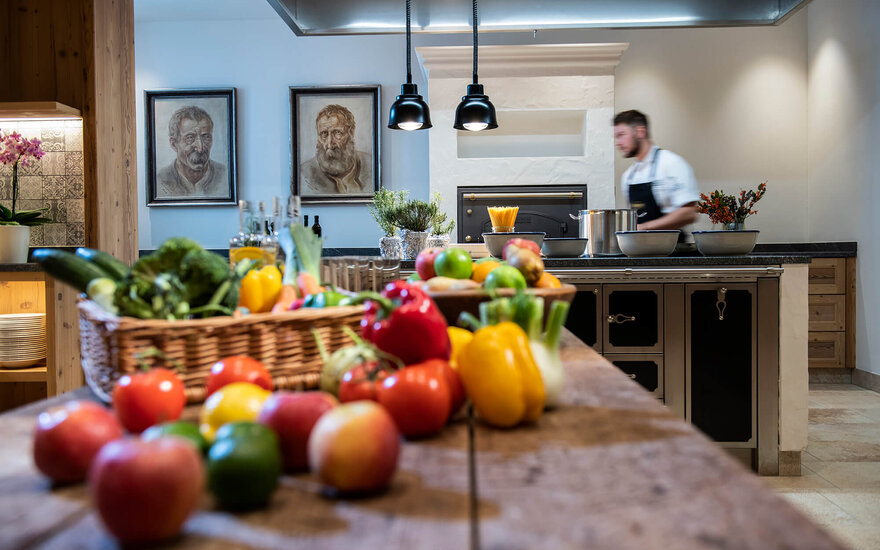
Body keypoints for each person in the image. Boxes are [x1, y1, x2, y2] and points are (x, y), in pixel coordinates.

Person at [613, 110, 699, 242]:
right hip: (640, 250)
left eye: (621, 135)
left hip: (673, 251)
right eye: (616, 137)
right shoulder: (628, 176)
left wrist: (644, 227)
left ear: (640, 132)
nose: (618, 143)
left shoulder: (672, 164)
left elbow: (688, 213)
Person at [157, 106, 228, 199]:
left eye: (206, 137)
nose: (200, 148)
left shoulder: (225, 176)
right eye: (190, 137)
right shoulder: (160, 181)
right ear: (174, 144)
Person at [300, 104, 372, 195]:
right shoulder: (303, 175)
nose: (330, 144)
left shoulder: (371, 165)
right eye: (324, 134)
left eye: (337, 132)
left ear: (351, 132)